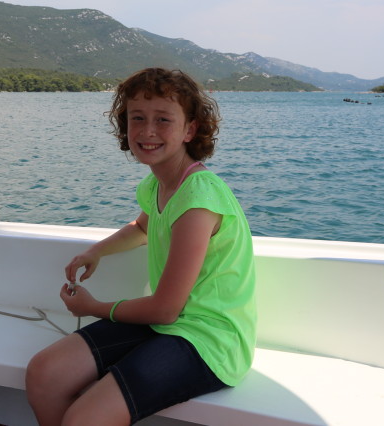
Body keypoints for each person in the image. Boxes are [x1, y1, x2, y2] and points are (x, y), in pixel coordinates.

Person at [26, 67, 256, 426]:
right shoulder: (158, 185)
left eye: (163, 119)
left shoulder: (199, 199)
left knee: (84, 419)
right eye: (137, 118)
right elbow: (142, 226)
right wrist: (96, 251)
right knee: (44, 373)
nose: (147, 131)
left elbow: (165, 309)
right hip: (167, 325)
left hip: (208, 340)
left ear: (190, 130)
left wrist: (94, 307)